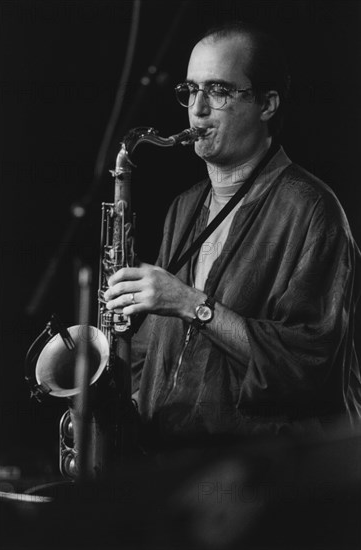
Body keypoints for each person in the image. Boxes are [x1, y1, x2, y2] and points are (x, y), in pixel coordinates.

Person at [104, 21, 361, 444]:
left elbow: (308, 368)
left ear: (267, 104)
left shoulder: (312, 209)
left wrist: (191, 304)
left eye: (219, 91)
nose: (198, 109)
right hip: (177, 465)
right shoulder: (184, 207)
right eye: (190, 91)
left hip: (267, 477)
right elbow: (153, 354)